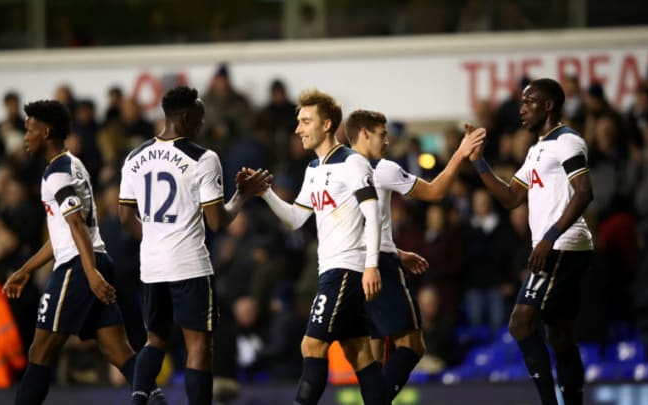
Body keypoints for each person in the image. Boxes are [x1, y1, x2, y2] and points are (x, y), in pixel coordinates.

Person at [2, 100, 166, 405]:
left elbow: (76, 224)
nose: (25, 137)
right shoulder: (74, 164)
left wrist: (89, 274)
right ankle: (157, 402)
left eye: (29, 130)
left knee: (39, 351)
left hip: (78, 267)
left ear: (46, 131)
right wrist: (26, 269)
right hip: (93, 260)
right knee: (117, 350)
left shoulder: (57, 173)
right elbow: (64, 234)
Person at [117, 86, 271, 405]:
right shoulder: (203, 158)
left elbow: (124, 216)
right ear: (186, 117)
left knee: (155, 340)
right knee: (198, 345)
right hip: (189, 266)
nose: (202, 123)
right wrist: (243, 195)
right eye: (200, 117)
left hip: (152, 265)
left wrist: (156, 239)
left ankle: (137, 401)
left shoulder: (134, 158)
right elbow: (217, 222)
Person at [251, 89, 387, 405]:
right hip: (333, 268)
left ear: (326, 125)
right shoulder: (314, 169)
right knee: (359, 353)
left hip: (346, 269)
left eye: (305, 121)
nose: (298, 128)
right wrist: (266, 193)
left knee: (311, 346)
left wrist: (371, 265)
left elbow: (373, 213)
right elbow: (296, 219)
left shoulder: (352, 163)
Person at [468, 78, 594, 405]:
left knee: (521, 323)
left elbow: (584, 193)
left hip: (564, 244)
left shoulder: (568, 141)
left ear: (549, 105)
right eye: (521, 103)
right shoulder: (537, 149)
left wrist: (549, 237)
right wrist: (478, 160)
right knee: (560, 334)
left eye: (529, 102)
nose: (522, 109)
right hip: (556, 245)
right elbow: (511, 198)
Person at [344, 109, 485, 399]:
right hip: (379, 266)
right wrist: (459, 153)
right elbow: (434, 193)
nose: (387, 142)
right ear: (364, 133)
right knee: (412, 345)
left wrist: (396, 249)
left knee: (372, 352)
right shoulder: (382, 169)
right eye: (382, 135)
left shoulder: (335, 170)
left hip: (347, 267)